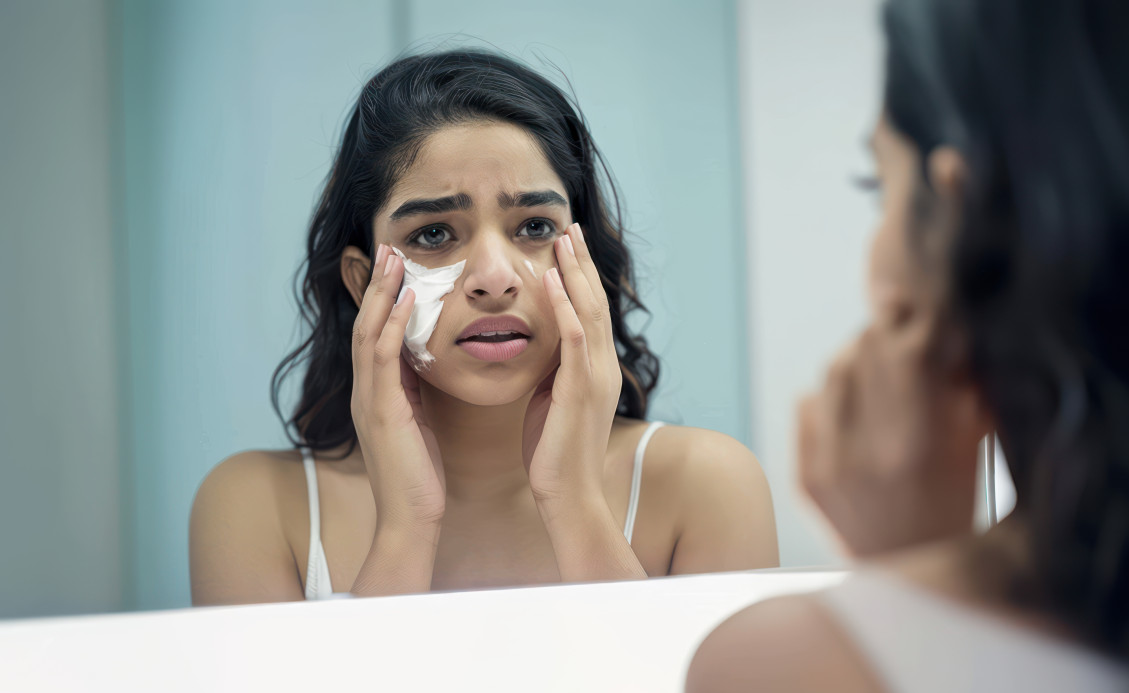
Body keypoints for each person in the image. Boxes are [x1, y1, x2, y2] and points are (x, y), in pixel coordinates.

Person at [686, 0, 1129, 693]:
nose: (876, 271)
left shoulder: (788, 668)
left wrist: (895, 604)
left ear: (961, 221)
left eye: (879, 186)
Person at [189, 49, 778, 604]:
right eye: (433, 234)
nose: (495, 279)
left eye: (535, 227)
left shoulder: (707, 486)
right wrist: (405, 527)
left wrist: (575, 505)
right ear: (363, 281)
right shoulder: (255, 508)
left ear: (585, 260)